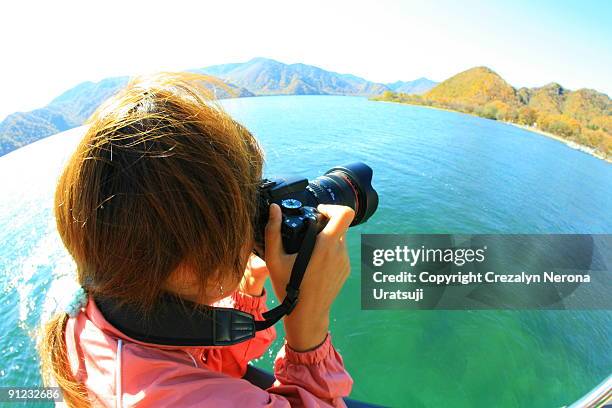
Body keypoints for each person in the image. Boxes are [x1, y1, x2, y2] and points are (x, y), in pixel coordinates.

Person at [39, 73, 355, 407]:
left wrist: (247, 283)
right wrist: (308, 327)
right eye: (244, 208)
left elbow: (215, 363)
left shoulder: (109, 311)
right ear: (194, 262)